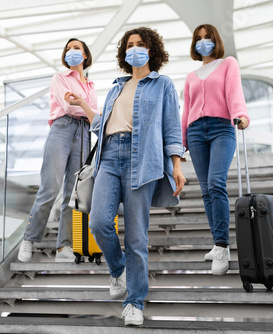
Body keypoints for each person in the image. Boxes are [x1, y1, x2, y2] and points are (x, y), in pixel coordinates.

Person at [65, 27, 185, 326]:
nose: (135, 49)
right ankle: (118, 269)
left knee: (136, 237)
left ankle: (134, 301)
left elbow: (171, 128)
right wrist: (83, 106)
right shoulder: (117, 86)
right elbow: (103, 124)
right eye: (130, 45)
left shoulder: (163, 85)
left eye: (141, 45)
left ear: (151, 50)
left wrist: (177, 165)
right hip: (109, 157)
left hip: (141, 159)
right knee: (99, 222)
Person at [17, 38, 99, 263]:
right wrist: (85, 107)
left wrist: (83, 106)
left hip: (84, 134)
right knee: (49, 188)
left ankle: (64, 247)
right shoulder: (60, 78)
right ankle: (29, 239)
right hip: (62, 129)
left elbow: (95, 116)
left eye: (76, 48)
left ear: (85, 55)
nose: (71, 52)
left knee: (73, 195)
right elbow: (68, 106)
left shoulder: (91, 86)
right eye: (68, 49)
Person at [181, 24, 250, 276]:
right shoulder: (191, 76)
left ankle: (222, 246)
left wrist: (241, 115)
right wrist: (181, 142)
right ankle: (217, 241)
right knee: (206, 190)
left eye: (207, 37)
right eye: (198, 39)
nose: (202, 42)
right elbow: (186, 111)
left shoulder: (228, 63)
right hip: (196, 132)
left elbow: (234, 93)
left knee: (215, 183)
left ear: (215, 40)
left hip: (222, 127)